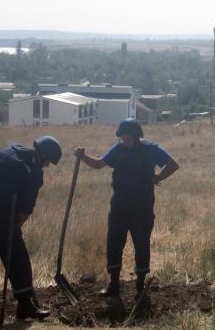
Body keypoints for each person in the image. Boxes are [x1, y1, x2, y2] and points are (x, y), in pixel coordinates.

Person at [75, 119, 179, 298]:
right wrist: (83, 157)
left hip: (142, 207)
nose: (125, 142)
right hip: (119, 205)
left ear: (138, 137)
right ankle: (113, 284)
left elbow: (173, 165)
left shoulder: (152, 149)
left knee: (141, 244)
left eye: (128, 139)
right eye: (123, 139)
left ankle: (140, 287)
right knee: (114, 243)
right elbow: (99, 164)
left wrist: (158, 177)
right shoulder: (118, 150)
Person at [0, 135, 62, 319]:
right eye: (48, 162)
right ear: (44, 156)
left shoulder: (10, 151)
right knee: (17, 258)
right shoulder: (34, 170)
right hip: (1, 213)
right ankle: (24, 305)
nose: (46, 166)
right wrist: (15, 227)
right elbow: (25, 209)